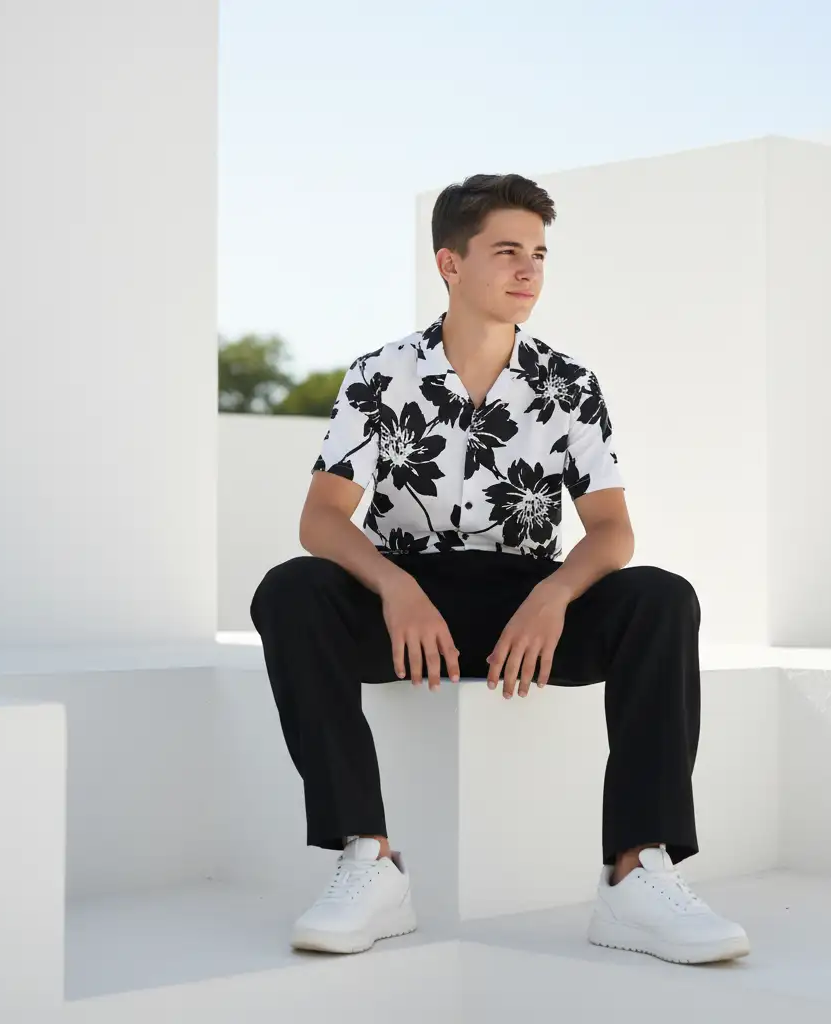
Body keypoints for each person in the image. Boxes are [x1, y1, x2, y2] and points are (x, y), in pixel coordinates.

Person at [249, 173, 750, 965]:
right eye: (507, 251)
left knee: (663, 599)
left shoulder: (570, 384)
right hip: (406, 607)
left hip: (528, 610)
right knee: (289, 590)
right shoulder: (380, 374)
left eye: (540, 254)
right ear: (450, 264)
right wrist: (394, 584)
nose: (528, 271)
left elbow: (612, 530)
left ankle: (635, 876)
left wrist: (555, 592)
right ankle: (370, 861)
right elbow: (321, 516)